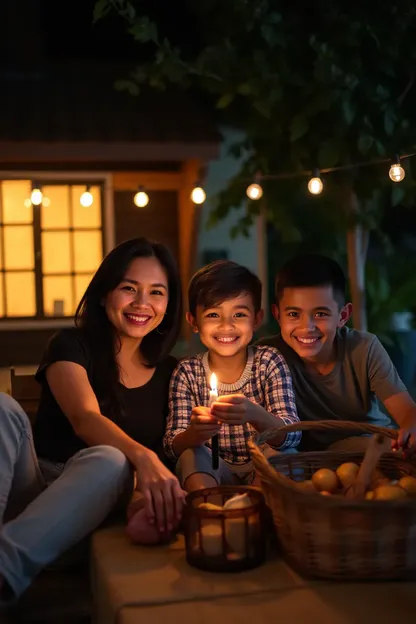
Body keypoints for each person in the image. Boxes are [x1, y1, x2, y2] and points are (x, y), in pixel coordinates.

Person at [0, 237, 184, 602]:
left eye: (157, 292)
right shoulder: (71, 345)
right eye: (128, 288)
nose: (142, 303)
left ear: (169, 304)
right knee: (3, 408)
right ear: (104, 295)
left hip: (89, 516)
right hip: (33, 491)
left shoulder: (173, 373)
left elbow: (176, 449)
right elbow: (85, 417)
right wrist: (143, 456)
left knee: (111, 460)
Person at [164, 260, 301, 493]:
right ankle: (212, 512)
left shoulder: (269, 362)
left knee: (283, 457)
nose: (226, 326)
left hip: (260, 461)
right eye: (213, 315)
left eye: (239, 314)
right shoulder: (187, 372)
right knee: (190, 457)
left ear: (257, 319)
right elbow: (172, 447)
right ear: (193, 321)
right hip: (212, 464)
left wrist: (254, 413)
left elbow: (292, 435)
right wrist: (194, 434)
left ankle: (253, 508)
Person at [258, 253, 416, 453]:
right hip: (306, 463)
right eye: (293, 314)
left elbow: (407, 411)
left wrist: (412, 426)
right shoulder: (266, 357)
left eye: (320, 314)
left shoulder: (364, 348)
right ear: (277, 315)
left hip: (371, 449)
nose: (307, 327)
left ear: (342, 316)